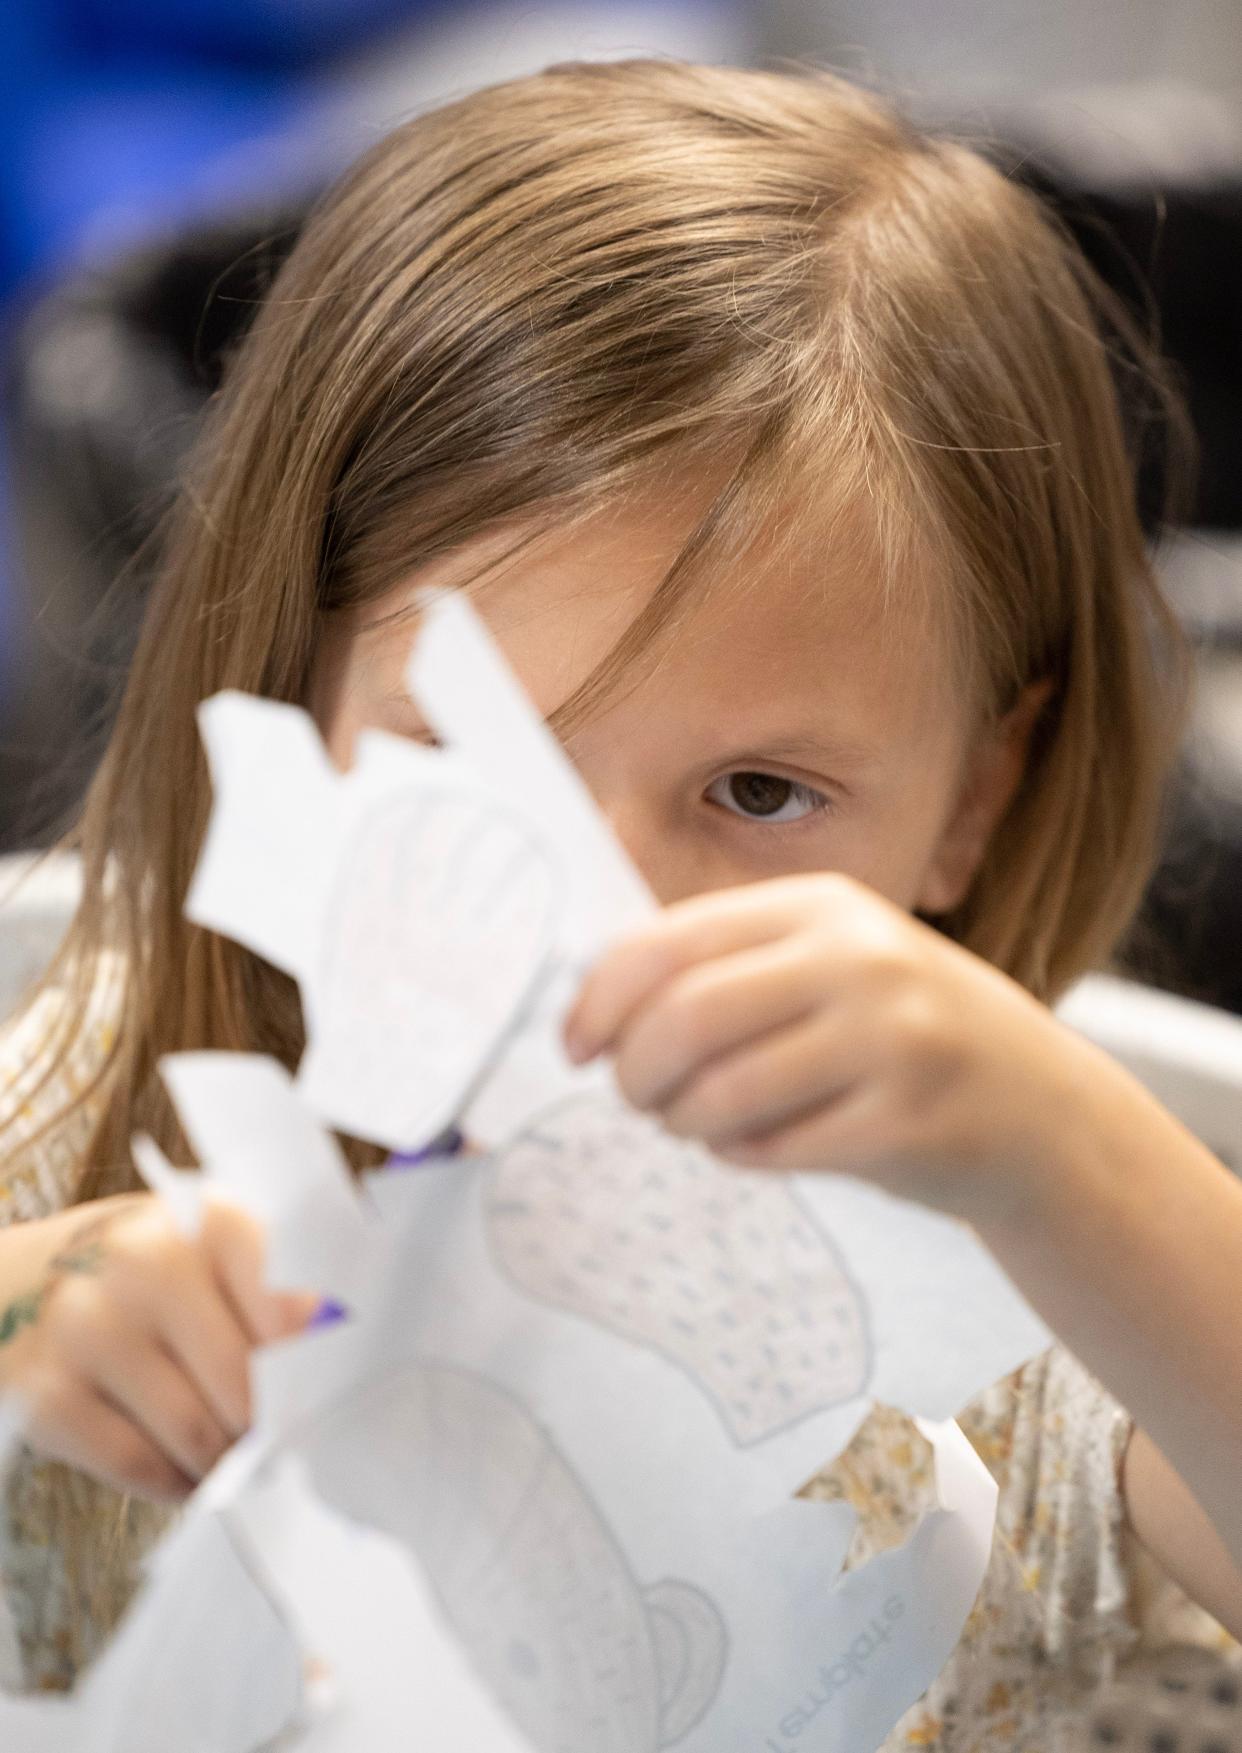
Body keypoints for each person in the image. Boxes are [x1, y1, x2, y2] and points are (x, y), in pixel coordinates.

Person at [0, 56, 1239, 1748]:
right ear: (293, 704)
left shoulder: (1022, 1282)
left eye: (757, 794)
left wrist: (1063, 1158)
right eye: (475, 761)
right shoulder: (80, 1107)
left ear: (968, 804)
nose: (605, 921)